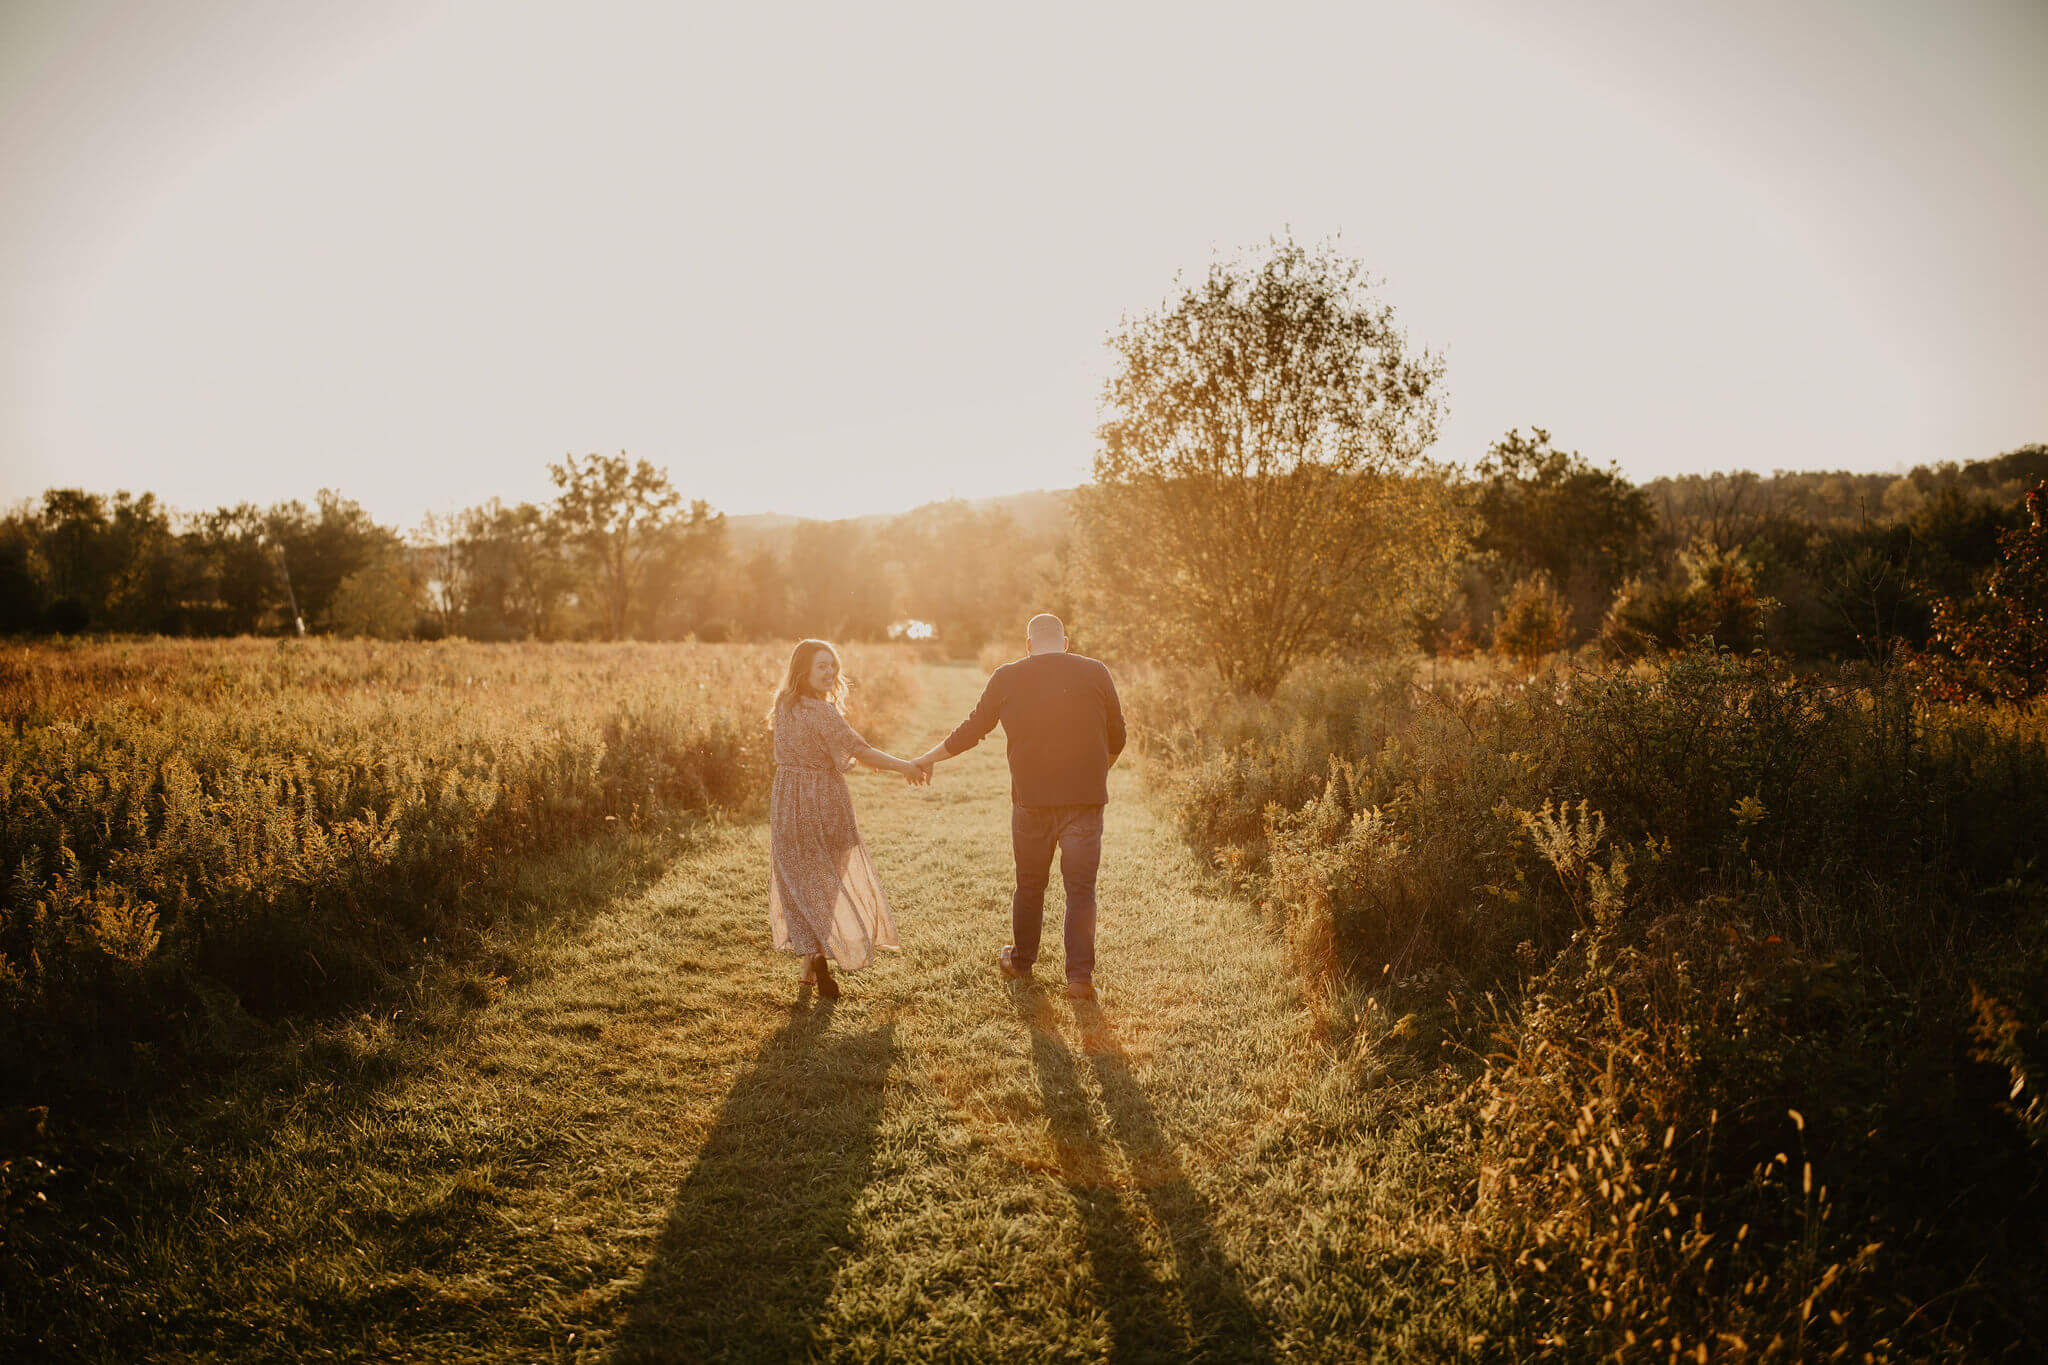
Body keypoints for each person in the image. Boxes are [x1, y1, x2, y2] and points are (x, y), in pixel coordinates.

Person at [911, 614, 1125, 1001]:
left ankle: (1022, 961)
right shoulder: (1095, 671)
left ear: (1028, 645)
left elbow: (973, 729)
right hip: (1084, 802)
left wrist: (927, 758)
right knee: (1081, 890)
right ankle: (1079, 978)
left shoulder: (1007, 676)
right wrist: (1090, 776)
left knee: (1030, 885)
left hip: (1031, 802)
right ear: (1065, 642)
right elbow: (1119, 736)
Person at [766, 638, 925, 999]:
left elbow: (849, 751)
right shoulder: (823, 712)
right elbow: (860, 750)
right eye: (822, 665)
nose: (830, 672)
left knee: (798, 880)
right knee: (828, 881)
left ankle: (810, 964)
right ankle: (818, 957)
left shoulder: (783, 704)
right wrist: (906, 766)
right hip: (824, 800)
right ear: (802, 669)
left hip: (787, 799)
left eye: (833, 665)